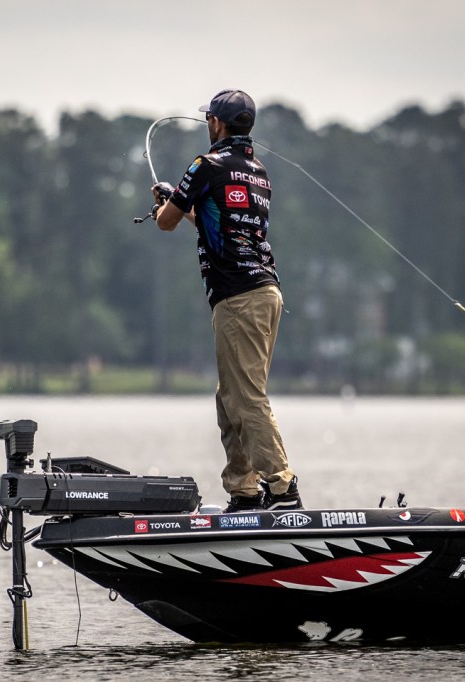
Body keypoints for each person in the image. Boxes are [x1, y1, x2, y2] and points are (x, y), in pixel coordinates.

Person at [151, 89, 303, 513]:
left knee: (245, 396)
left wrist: (167, 201)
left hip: (238, 296)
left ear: (216, 124)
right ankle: (244, 491)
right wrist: (181, 202)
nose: (207, 126)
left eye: (208, 120)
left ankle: (282, 489)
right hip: (266, 292)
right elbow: (214, 220)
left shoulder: (206, 165)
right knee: (230, 396)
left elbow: (165, 222)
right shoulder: (259, 172)